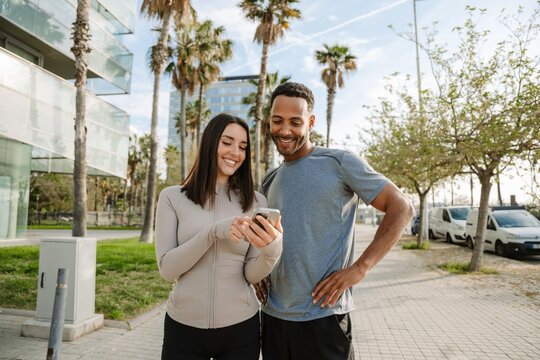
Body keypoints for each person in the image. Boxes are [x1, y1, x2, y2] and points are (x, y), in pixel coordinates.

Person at [258, 82, 414, 359]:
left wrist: (361, 268)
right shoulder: (269, 179)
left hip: (324, 319)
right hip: (274, 318)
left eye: (295, 122)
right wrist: (256, 270)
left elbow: (401, 207)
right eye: (277, 120)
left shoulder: (338, 162)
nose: (284, 130)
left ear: (311, 122)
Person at [155, 113, 283, 360]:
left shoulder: (256, 201)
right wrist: (214, 232)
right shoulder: (172, 198)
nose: (235, 152)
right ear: (210, 143)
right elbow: (167, 269)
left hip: (240, 329)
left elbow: (250, 274)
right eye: (227, 142)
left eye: (243, 146)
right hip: (183, 329)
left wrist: (272, 249)